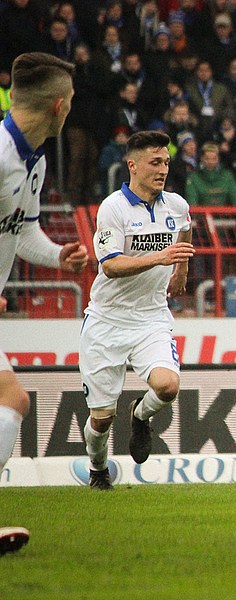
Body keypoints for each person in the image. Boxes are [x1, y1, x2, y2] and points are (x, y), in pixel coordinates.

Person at [79, 130, 195, 490]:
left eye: (166, 162)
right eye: (155, 162)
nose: (163, 170)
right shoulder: (113, 208)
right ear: (132, 165)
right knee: (101, 419)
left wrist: (181, 270)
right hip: (107, 320)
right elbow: (111, 266)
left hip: (151, 316)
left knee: (168, 386)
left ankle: (140, 416)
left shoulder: (176, 205)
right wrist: (161, 258)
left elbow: (185, 231)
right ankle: (98, 468)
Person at [1, 54, 86, 530]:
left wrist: (58, 257)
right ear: (59, 106)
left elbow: (23, 230)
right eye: (71, 100)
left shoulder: (34, 160)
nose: (71, 107)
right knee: (11, 398)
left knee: (12, 401)